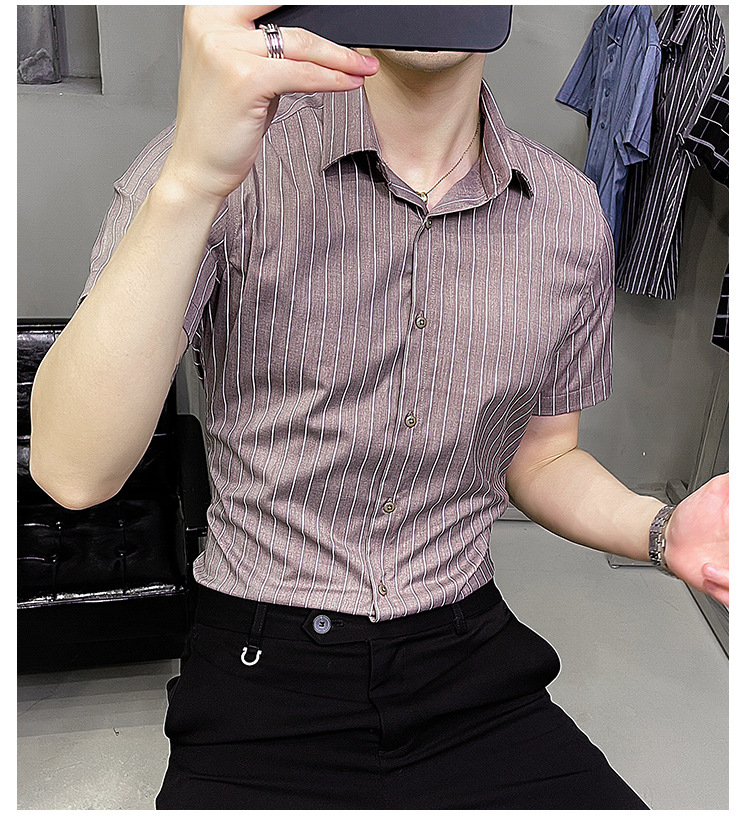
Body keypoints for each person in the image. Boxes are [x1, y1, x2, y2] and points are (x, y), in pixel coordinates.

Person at [29, 5, 729, 810]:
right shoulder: (211, 165)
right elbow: (72, 469)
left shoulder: (567, 214)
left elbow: (544, 456)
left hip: (467, 654)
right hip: (260, 659)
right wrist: (191, 180)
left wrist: (661, 528)